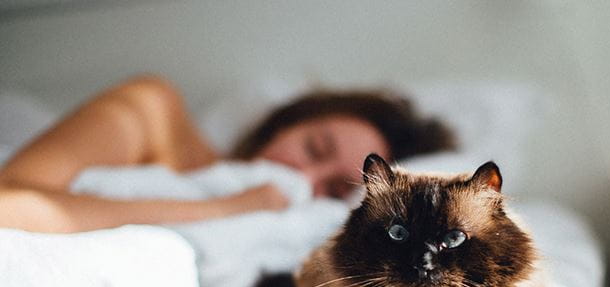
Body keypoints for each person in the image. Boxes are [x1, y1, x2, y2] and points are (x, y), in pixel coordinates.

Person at [0, 75, 454, 233]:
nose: (304, 177)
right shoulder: (152, 111)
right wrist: (227, 208)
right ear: (286, 122)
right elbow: (9, 203)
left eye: (335, 189)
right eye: (314, 148)